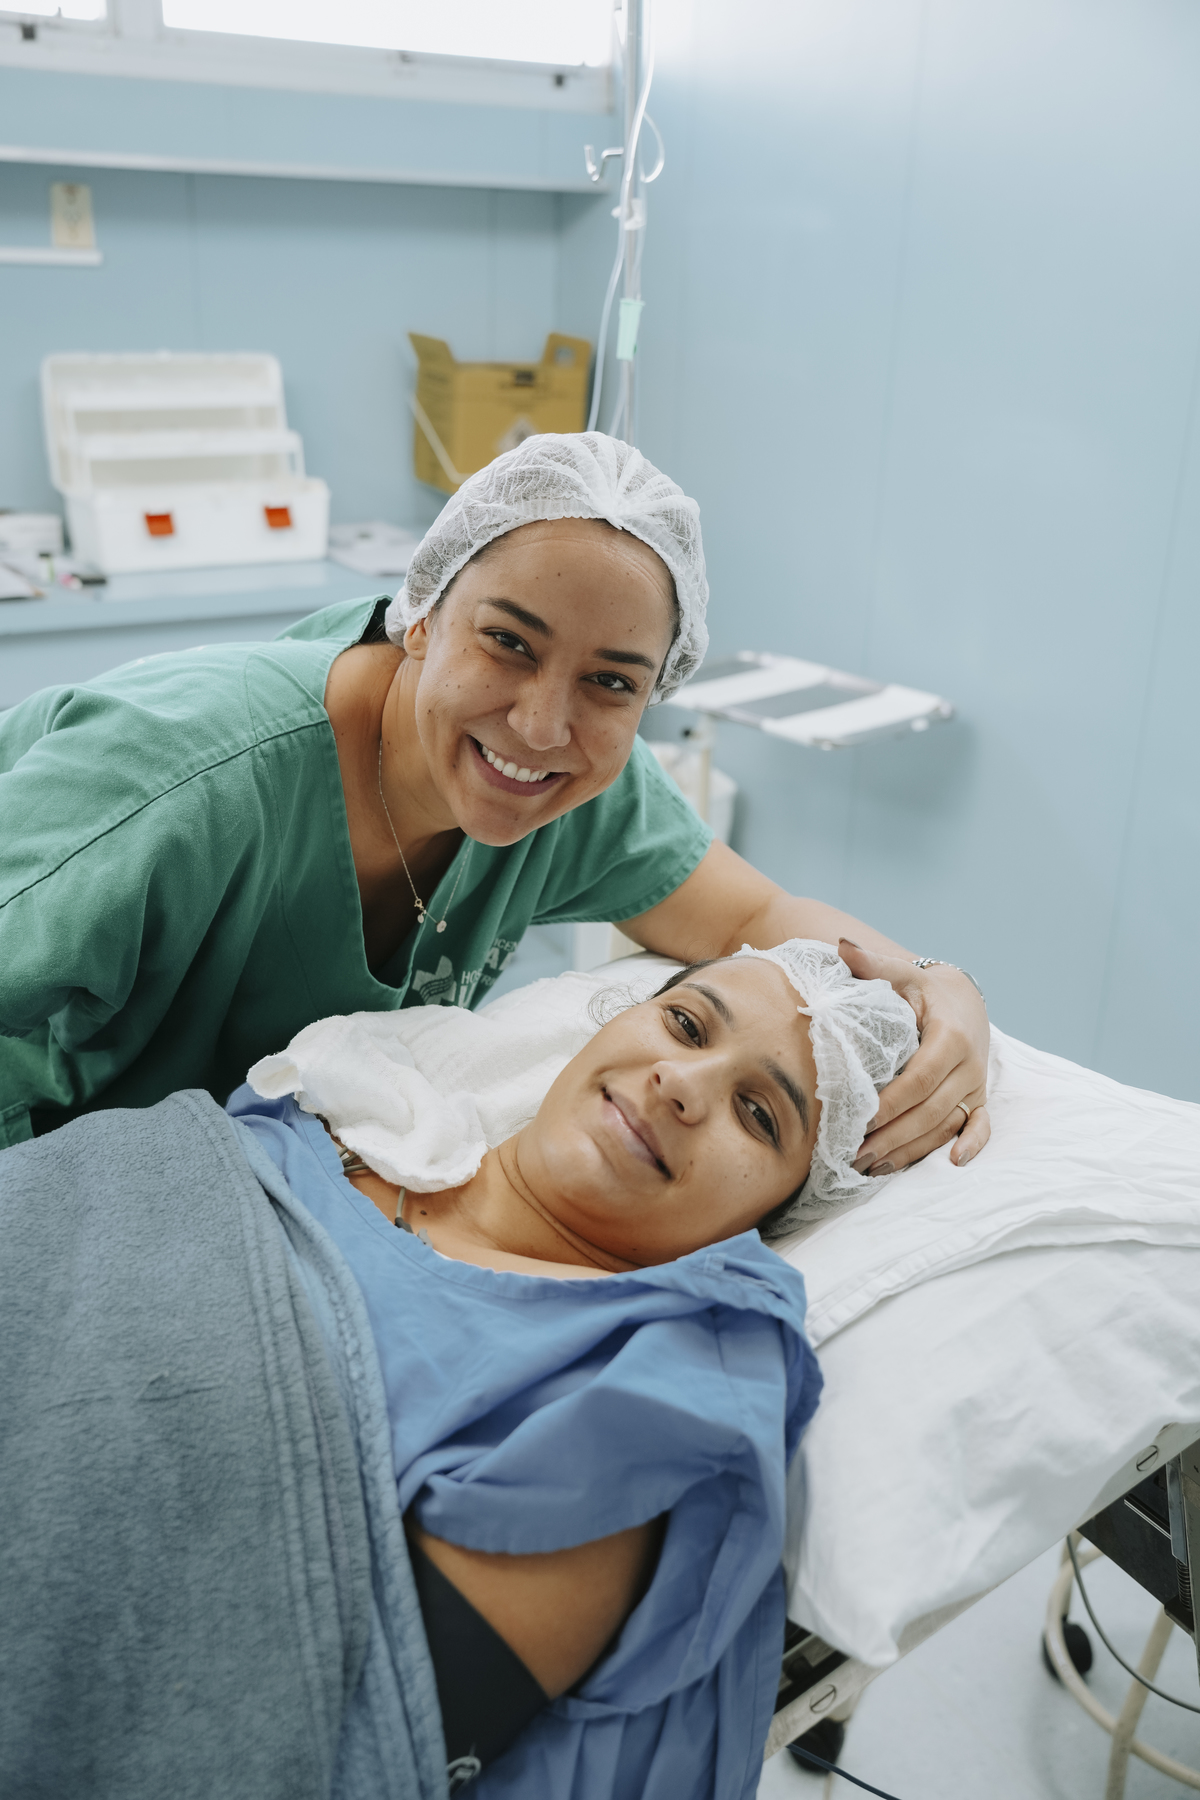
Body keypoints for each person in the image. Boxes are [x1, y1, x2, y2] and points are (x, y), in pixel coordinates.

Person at [0, 433, 988, 1178]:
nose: (544, 725)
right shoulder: (184, 774)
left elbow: (757, 916)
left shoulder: (581, 795)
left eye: (612, 682)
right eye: (509, 642)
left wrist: (940, 989)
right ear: (421, 613)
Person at [228, 937, 918, 1794]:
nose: (682, 1083)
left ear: (775, 1212)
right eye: (686, 1025)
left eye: (758, 1115)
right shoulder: (333, 1107)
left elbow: (328, 1746)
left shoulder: (622, 1381)